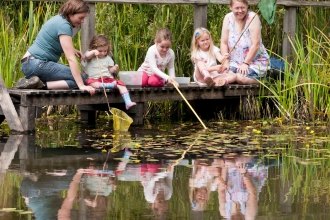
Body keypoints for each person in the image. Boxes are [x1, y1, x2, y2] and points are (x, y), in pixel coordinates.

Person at [19, 0, 95, 95]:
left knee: (76, 80)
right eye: (81, 18)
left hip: (29, 64)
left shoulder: (59, 19)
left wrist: (72, 50)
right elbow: (71, 59)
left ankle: (35, 83)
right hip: (37, 64)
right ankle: (42, 85)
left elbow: (51, 42)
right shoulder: (64, 25)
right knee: (81, 80)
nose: (82, 21)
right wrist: (82, 86)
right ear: (71, 13)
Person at [220, 0, 270, 85]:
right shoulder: (228, 18)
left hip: (254, 62)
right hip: (234, 62)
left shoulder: (252, 17)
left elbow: (256, 44)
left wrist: (245, 63)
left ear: (247, 6)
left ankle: (264, 81)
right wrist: (225, 62)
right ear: (231, 7)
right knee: (225, 74)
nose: (240, 11)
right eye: (237, 8)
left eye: (242, 7)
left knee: (241, 79)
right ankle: (234, 76)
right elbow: (223, 42)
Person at [84, 34, 136, 110]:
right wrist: (93, 52)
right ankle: (109, 86)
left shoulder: (108, 58)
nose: (102, 53)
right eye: (100, 51)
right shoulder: (91, 57)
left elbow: (110, 70)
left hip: (108, 79)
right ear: (93, 48)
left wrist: (114, 68)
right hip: (95, 79)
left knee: (121, 85)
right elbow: (87, 56)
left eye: (105, 51)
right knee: (91, 83)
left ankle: (128, 102)